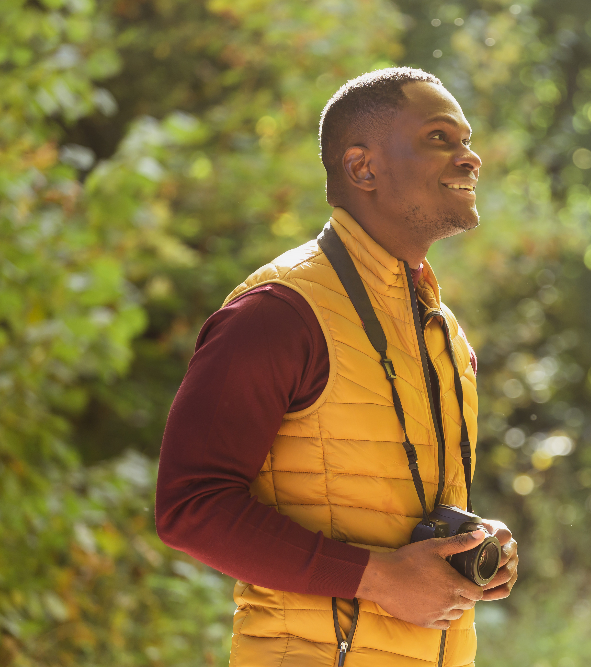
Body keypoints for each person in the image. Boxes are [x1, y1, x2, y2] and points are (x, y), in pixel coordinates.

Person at [156, 67, 518, 667]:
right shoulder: (276, 314)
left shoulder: (445, 333)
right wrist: (376, 578)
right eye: (440, 138)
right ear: (362, 168)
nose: (470, 158)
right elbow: (190, 507)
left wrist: (475, 544)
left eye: (467, 140)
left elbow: (383, 511)